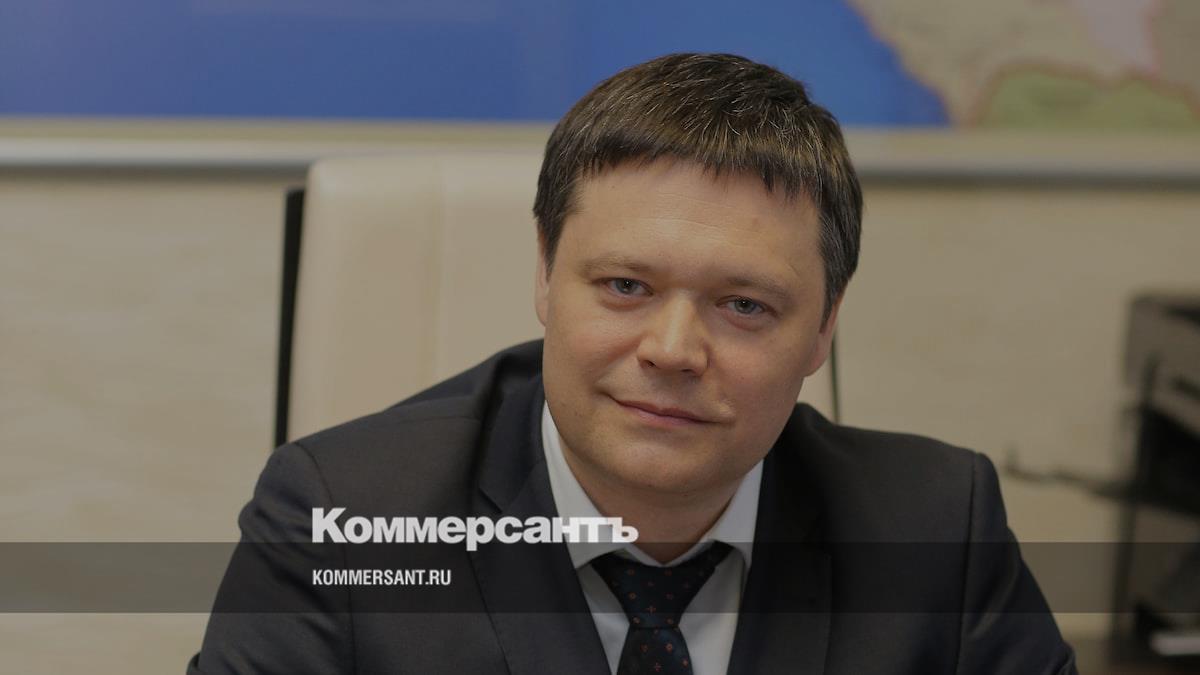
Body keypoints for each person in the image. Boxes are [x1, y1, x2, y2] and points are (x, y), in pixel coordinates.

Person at [189, 53, 1077, 674]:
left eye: (744, 305)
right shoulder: (345, 518)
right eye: (625, 285)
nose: (673, 350)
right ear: (545, 275)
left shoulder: (937, 528)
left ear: (823, 329)